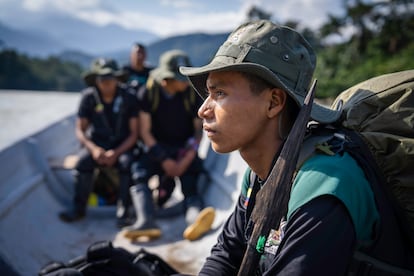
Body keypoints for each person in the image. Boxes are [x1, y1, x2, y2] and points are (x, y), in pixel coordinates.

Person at [178, 20, 382, 275]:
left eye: (219, 93)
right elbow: (227, 254)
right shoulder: (258, 175)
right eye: (208, 94)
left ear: (274, 102)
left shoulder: (324, 185)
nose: (203, 110)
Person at [122, 49, 215, 241]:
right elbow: (145, 132)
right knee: (139, 171)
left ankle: (195, 218)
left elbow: (199, 131)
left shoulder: (191, 94)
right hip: (157, 148)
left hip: (183, 148)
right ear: (165, 80)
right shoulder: (148, 93)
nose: (183, 81)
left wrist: (186, 159)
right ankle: (145, 220)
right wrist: (164, 160)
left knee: (192, 176)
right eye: (178, 78)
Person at [59, 58, 139, 228]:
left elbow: (134, 134)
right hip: (96, 146)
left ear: (117, 78)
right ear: (96, 80)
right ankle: (79, 208)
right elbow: (80, 130)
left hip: (122, 146)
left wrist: (116, 153)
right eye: (102, 79)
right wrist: (94, 150)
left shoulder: (129, 97)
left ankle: (124, 210)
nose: (106, 83)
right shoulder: (88, 97)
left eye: (110, 78)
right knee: (82, 162)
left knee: (127, 163)